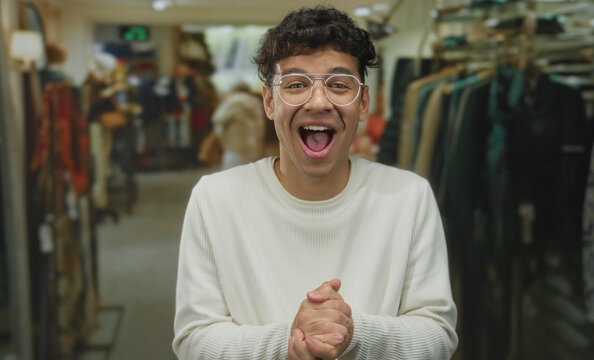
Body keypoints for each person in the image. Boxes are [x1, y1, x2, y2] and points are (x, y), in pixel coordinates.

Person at [173, 5, 458, 360]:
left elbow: (438, 334)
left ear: (363, 103)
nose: (319, 101)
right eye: (296, 85)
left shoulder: (408, 196)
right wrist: (290, 342)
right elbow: (194, 340)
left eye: (339, 85)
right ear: (269, 101)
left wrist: (353, 333)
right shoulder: (215, 199)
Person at [212, 82, 266, 170]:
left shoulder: (234, 102)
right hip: (254, 145)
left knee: (232, 175)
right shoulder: (255, 101)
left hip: (236, 146)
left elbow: (217, 118)